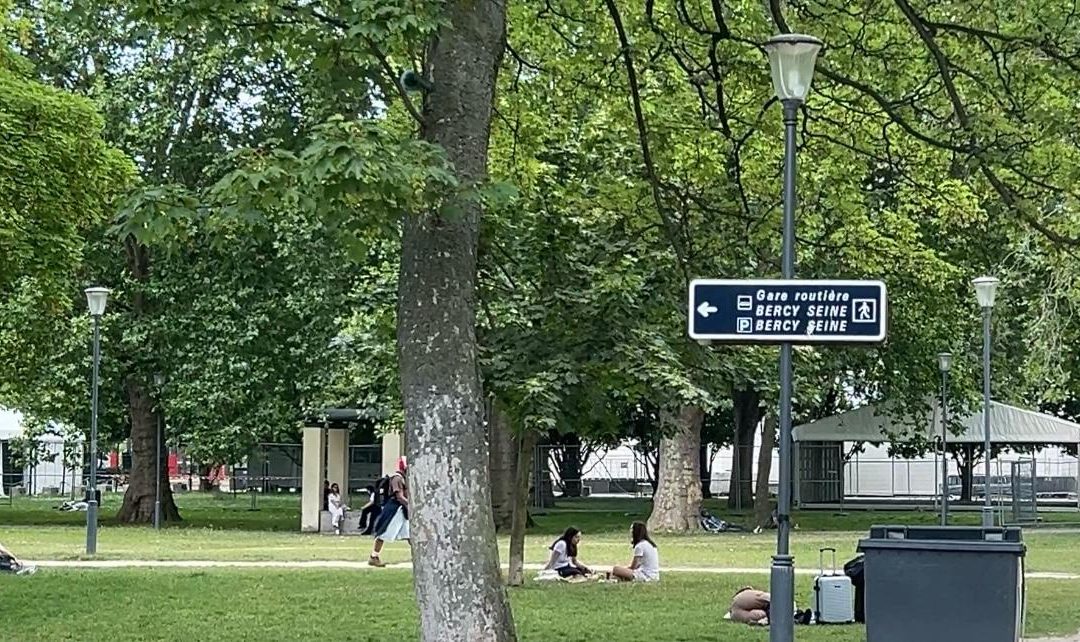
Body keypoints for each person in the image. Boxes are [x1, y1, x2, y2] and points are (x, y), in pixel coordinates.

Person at [368, 456, 409, 567]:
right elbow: (399, 496)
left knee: (411, 533)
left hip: (401, 509)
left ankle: (419, 557)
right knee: (384, 533)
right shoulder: (397, 478)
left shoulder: (403, 478)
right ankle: (374, 556)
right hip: (395, 509)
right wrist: (411, 506)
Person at [728, 586, 812, 626]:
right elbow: (768, 598)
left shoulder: (735, 611)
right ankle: (796, 616)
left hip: (740, 611)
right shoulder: (746, 597)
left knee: (766, 612)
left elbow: (758, 614)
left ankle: (796, 616)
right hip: (763, 603)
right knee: (773, 605)